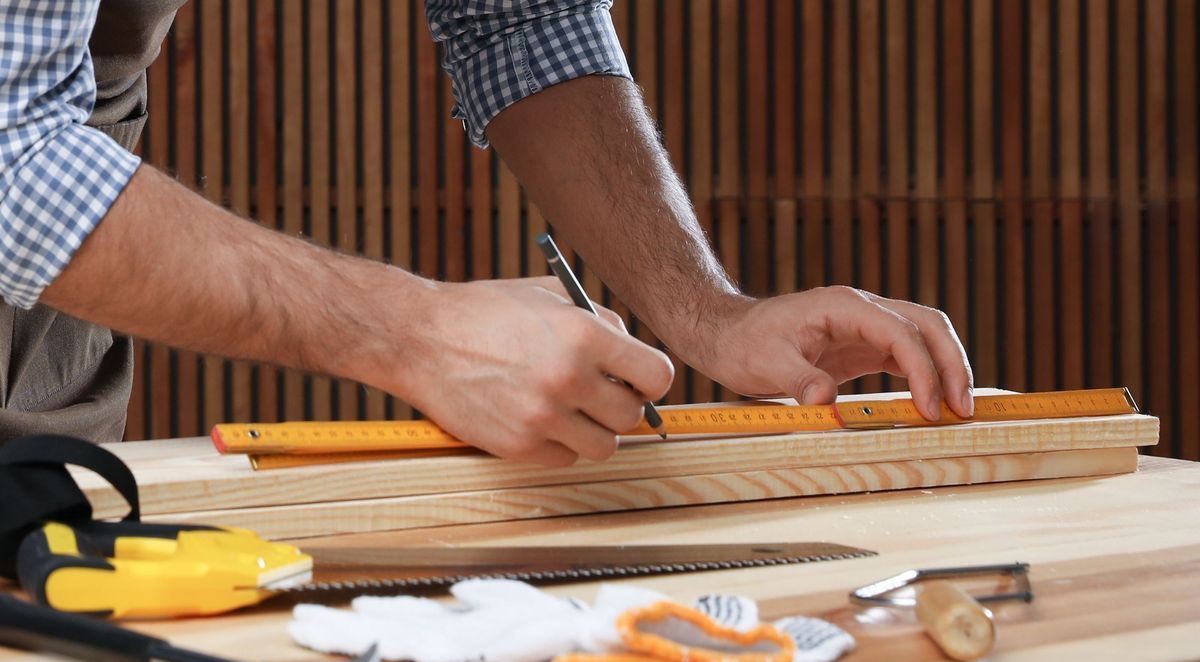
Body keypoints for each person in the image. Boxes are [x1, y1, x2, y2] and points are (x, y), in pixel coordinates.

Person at [0, 0, 973, 467]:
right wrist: (412, 334)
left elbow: (520, 19)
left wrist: (707, 315)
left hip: (47, 374)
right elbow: (8, 154)